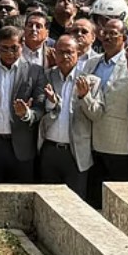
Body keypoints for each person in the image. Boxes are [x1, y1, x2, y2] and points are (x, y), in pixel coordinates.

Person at [82, 20, 128, 207]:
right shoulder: (92, 63)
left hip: (119, 145)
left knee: (118, 203)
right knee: (94, 200)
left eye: (113, 33)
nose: (108, 37)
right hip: (91, 141)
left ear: (124, 38)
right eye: (105, 32)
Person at [0, 26, 47, 183]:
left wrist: (27, 114)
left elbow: (40, 107)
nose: (9, 53)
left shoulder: (35, 71)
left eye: (14, 48)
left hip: (21, 145)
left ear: (22, 45)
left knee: (21, 193)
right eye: (4, 48)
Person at [37, 35, 101, 200]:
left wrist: (85, 96)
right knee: (48, 201)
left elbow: (96, 114)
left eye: (69, 52)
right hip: (49, 150)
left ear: (78, 54)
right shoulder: (47, 76)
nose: (65, 56)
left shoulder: (90, 81)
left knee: (75, 202)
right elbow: (39, 108)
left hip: (76, 152)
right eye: (61, 52)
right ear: (54, 53)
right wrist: (51, 102)